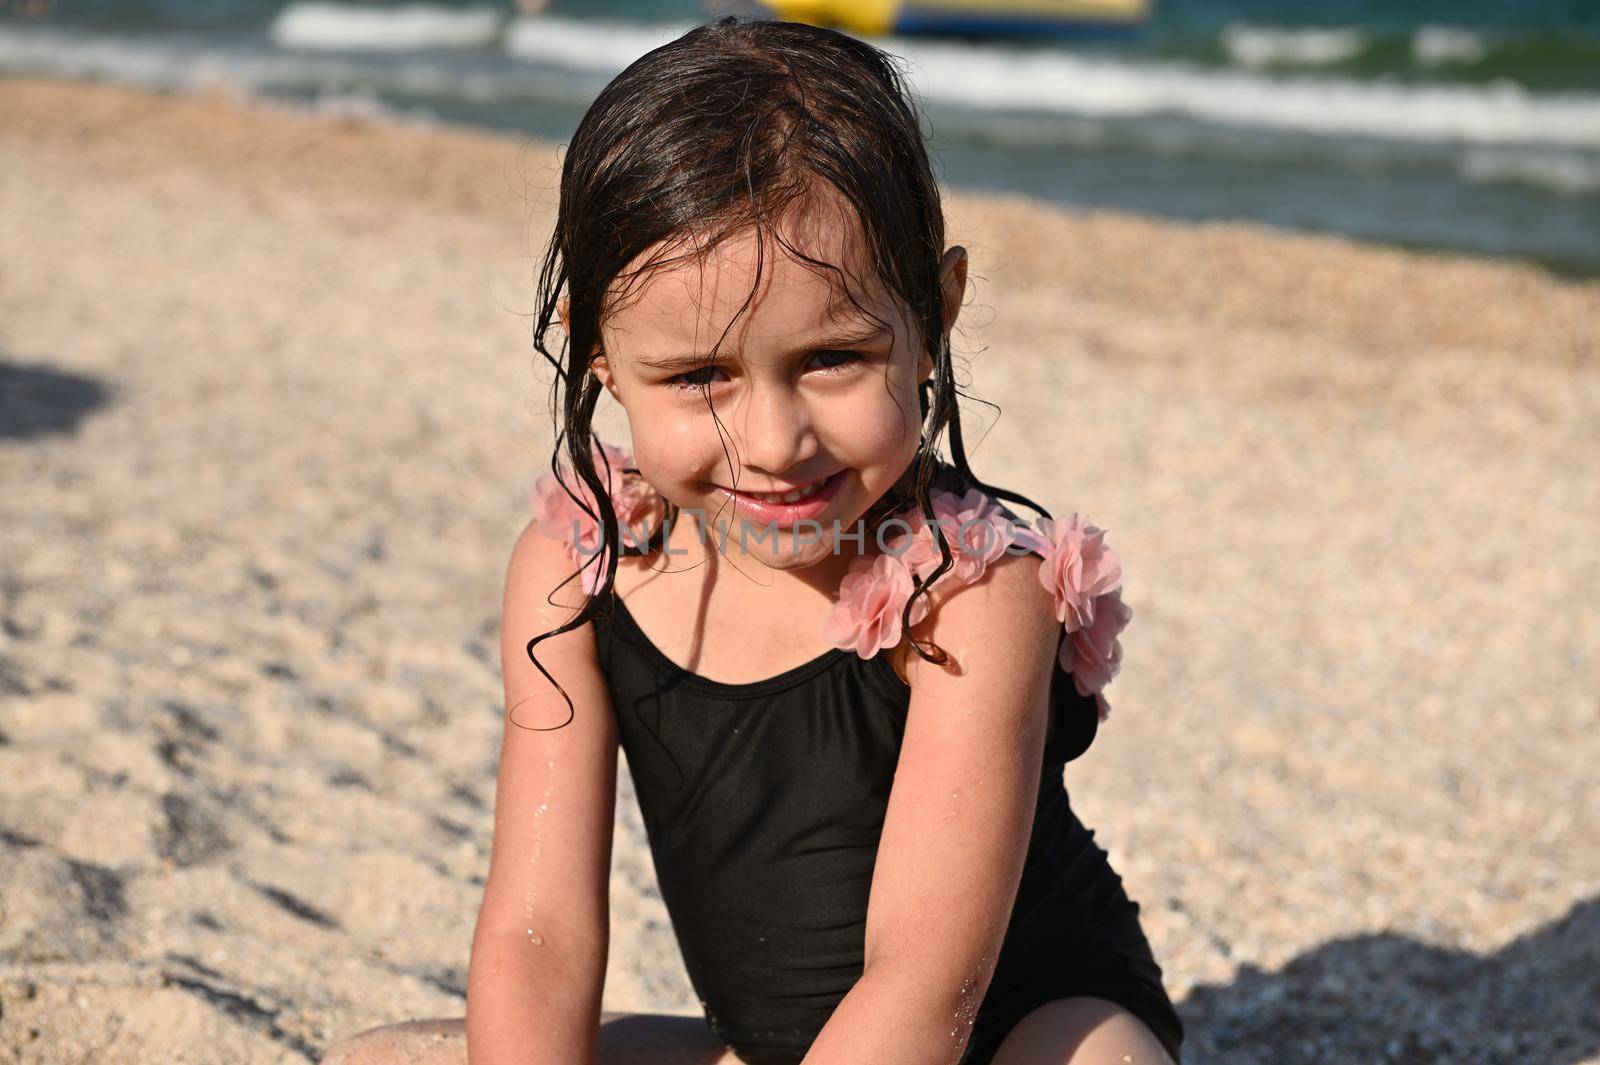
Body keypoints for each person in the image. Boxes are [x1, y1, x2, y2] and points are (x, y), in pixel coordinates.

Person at [321, 15, 1184, 1065]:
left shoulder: (965, 597)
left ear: (934, 316)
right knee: (384, 1056)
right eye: (698, 377)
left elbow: (924, 984)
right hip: (778, 1045)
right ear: (592, 351)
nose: (773, 442)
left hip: (997, 1037)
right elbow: (538, 937)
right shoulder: (580, 566)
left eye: (831, 357)